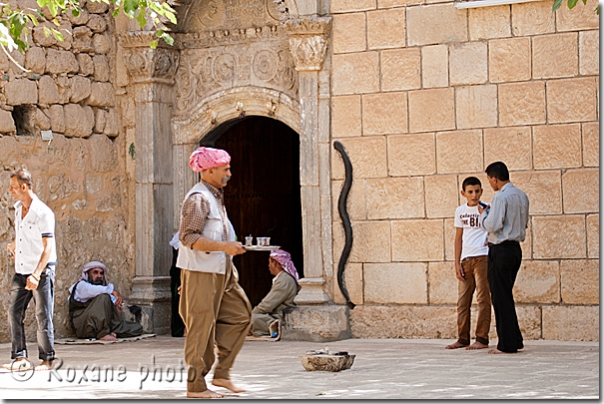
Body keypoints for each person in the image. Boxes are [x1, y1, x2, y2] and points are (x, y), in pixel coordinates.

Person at [177, 146, 252, 399]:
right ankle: (195, 386)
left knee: (241, 316)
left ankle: (222, 373)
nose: (229, 173)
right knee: (200, 327)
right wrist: (224, 246)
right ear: (209, 170)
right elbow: (188, 237)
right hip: (201, 272)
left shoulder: (215, 196)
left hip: (222, 271)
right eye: (225, 169)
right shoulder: (198, 198)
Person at [4, 168, 57, 371]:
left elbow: (48, 246)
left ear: (24, 187)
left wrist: (36, 274)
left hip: (41, 270)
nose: (10, 191)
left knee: (42, 314)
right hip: (22, 269)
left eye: (13, 187)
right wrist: (14, 244)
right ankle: (20, 357)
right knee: (14, 312)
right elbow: (22, 234)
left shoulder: (43, 213)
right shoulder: (18, 209)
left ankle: (47, 359)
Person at [478, 161, 529, 354]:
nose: (490, 183)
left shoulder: (500, 197)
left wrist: (484, 215)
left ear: (494, 178)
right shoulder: (522, 195)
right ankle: (514, 339)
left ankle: (506, 344)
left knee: (500, 297)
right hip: (515, 250)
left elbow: (493, 225)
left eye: (489, 180)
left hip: (500, 250)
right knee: (505, 294)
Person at [446, 177, 491, 350]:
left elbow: (493, 228)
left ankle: (481, 337)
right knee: (463, 301)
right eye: (470, 192)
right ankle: (462, 337)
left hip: (483, 257)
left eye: (477, 191)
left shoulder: (487, 209)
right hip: (466, 259)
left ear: (481, 191)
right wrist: (456, 262)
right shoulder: (460, 211)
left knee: (483, 298)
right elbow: (458, 238)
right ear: (463, 193)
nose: (474, 195)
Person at [68, 261, 143, 341]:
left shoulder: (105, 289)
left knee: (137, 328)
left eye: (101, 273)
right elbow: (92, 290)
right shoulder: (81, 286)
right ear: (88, 274)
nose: (99, 276)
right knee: (104, 297)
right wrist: (112, 291)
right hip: (85, 326)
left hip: (107, 325)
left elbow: (115, 306)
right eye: (95, 273)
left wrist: (116, 308)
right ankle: (102, 334)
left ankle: (112, 333)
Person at [251, 249, 300, 338]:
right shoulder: (283, 278)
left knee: (251, 319)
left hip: (280, 316)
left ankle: (274, 328)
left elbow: (267, 305)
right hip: (274, 314)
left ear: (274, 263)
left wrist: (251, 314)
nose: (268, 266)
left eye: (270, 263)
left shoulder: (284, 280)